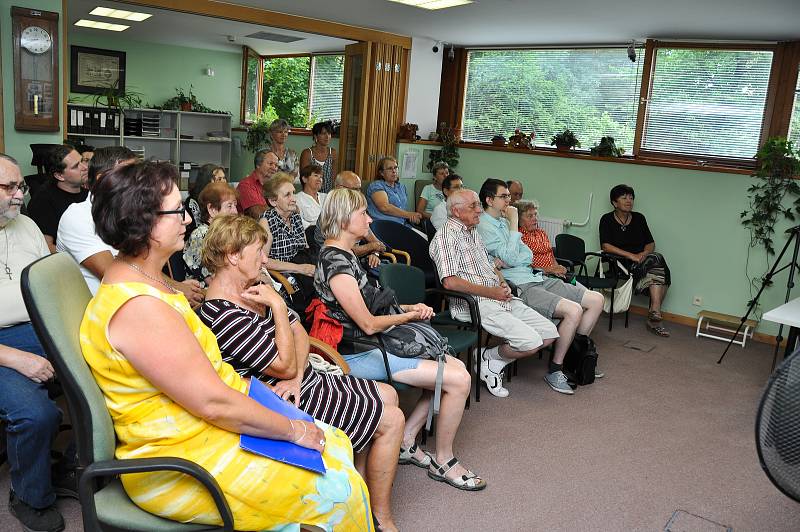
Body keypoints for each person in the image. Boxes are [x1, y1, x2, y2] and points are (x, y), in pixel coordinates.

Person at [80, 160, 372, 530]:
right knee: (339, 488)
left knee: (336, 442)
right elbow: (212, 402)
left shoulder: (146, 280)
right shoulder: (139, 308)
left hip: (202, 429)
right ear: (145, 222)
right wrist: (289, 428)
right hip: (179, 459)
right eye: (177, 212)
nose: (188, 219)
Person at [199, 214, 404, 531]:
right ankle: (382, 518)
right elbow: (281, 363)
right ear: (232, 256)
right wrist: (279, 310)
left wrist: (295, 371)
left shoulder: (254, 287)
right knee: (393, 419)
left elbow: (298, 331)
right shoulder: (223, 313)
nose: (266, 260)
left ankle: (358, 491)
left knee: (389, 394)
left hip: (300, 381)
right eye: (259, 253)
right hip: (279, 400)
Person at [316, 187, 485, 491]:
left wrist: (407, 307)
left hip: (373, 343)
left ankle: (407, 441)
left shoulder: (345, 255)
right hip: (358, 353)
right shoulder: (336, 263)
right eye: (362, 214)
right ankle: (444, 459)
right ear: (343, 219)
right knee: (458, 379)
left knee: (450, 364)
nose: (369, 219)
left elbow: (370, 306)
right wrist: (408, 316)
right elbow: (367, 324)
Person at [0, 153, 76, 532]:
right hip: (1, 346)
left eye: (20, 186)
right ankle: (29, 494)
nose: (18, 195)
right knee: (38, 415)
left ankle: (73, 466)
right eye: (8, 187)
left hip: (38, 327)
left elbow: (49, 282)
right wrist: (16, 358)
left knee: (111, 369)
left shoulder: (27, 225)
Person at [476, 180, 605, 392]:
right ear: (489, 200)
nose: (510, 201)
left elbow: (526, 256)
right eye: (505, 197)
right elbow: (510, 255)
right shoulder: (485, 225)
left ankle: (576, 357)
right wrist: (514, 224)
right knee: (574, 311)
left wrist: (509, 255)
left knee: (596, 300)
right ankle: (556, 369)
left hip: (534, 275)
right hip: (519, 284)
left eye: (509, 196)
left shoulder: (501, 222)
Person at [430, 188, 560, 397]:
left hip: (497, 296)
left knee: (549, 333)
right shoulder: (445, 237)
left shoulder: (472, 232)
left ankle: (488, 357)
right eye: (474, 206)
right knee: (531, 341)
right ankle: (490, 360)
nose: (480, 210)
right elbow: (450, 282)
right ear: (456, 211)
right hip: (473, 303)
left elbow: (491, 265)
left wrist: (502, 283)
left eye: (479, 205)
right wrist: (492, 292)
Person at [56, 147, 136, 295]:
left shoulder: (126, 212)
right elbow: (116, 277)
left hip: (129, 300)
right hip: (100, 310)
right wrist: (172, 288)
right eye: (128, 175)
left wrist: (174, 286)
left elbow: (143, 267)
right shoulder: (78, 216)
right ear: (103, 180)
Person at [599, 184, 671, 337]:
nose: (629, 201)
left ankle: (654, 311)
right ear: (614, 202)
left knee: (656, 261)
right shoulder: (606, 219)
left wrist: (644, 254)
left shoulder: (639, 218)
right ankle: (654, 314)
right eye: (624, 197)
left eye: (631, 197)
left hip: (643, 260)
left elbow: (650, 242)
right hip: (620, 263)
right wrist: (631, 256)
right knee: (659, 267)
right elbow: (606, 246)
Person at [260, 172, 317, 316]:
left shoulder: (295, 216)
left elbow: (305, 248)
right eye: (287, 195)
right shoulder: (266, 222)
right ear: (273, 201)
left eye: (293, 193)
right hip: (281, 272)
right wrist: (300, 268)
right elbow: (262, 262)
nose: (293, 199)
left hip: (301, 266)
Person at [312, 171, 386, 270]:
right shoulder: (333, 214)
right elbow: (346, 250)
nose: (359, 193)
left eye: (360, 189)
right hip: (333, 265)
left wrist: (375, 254)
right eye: (355, 189)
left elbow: (379, 244)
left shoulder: (356, 210)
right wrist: (372, 246)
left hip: (355, 264)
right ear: (340, 188)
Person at [26, 145, 89, 252]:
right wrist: (83, 255)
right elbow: (47, 247)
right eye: (76, 166)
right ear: (59, 176)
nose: (85, 167)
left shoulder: (89, 194)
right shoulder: (43, 201)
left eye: (82, 161)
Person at [182, 182, 238, 285]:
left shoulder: (228, 233)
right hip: (204, 294)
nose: (235, 212)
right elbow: (212, 281)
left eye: (235, 205)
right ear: (212, 209)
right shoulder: (200, 236)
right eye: (229, 206)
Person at [366, 156, 425, 237]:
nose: (394, 171)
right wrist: (409, 214)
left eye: (395, 167)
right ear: (381, 173)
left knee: (427, 241)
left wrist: (413, 218)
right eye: (390, 168)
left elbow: (402, 211)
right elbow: (384, 207)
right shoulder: (376, 185)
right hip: (384, 227)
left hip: (403, 225)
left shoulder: (401, 187)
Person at [518, 200, 569, 277]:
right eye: (530, 216)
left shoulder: (541, 233)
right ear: (519, 219)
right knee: (566, 287)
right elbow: (526, 267)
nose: (535, 218)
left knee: (575, 284)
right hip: (538, 275)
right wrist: (550, 270)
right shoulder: (518, 236)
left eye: (535, 215)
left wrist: (558, 269)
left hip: (553, 273)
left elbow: (551, 255)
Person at [185, 163, 226, 240]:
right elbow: (197, 232)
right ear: (207, 181)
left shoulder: (223, 199)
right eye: (219, 179)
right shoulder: (192, 202)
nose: (224, 182)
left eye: (224, 178)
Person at [237, 149, 278, 219]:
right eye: (270, 164)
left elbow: (293, 208)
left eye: (276, 165)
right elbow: (258, 214)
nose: (274, 168)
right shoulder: (246, 185)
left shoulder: (274, 186)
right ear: (258, 165)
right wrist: (281, 208)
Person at [299, 121, 337, 193]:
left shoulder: (333, 153)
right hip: (310, 193)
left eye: (329, 133)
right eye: (323, 133)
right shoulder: (307, 153)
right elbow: (304, 178)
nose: (327, 136)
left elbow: (334, 178)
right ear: (316, 136)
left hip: (328, 194)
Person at [296, 164, 328, 229]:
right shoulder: (297, 199)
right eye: (316, 175)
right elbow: (299, 221)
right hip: (310, 234)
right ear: (304, 179)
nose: (319, 179)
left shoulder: (326, 197)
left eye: (321, 177)